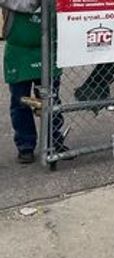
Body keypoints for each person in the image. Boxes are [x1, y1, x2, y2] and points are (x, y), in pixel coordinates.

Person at [3, 8, 67, 164]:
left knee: (50, 99)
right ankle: (26, 145)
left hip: (47, 49)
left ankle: (53, 141)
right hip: (19, 51)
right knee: (21, 101)